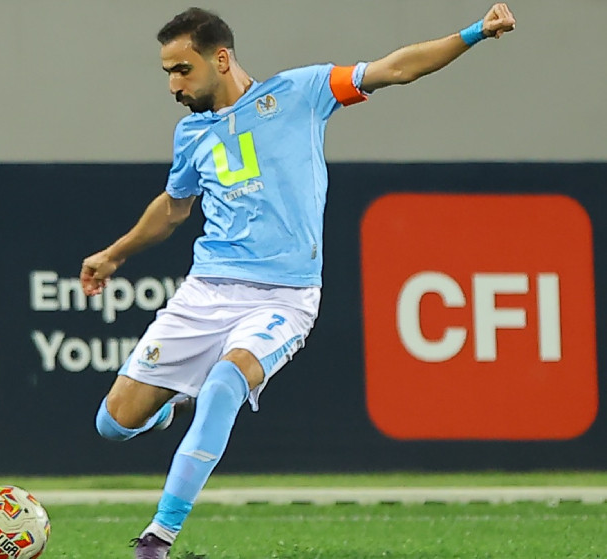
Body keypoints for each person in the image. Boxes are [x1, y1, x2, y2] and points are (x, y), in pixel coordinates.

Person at [81, 4, 516, 558]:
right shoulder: (191, 133)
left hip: (285, 297)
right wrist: (114, 254)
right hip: (208, 290)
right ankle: (167, 408)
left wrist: (475, 32)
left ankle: (157, 538)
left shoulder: (301, 92)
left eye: (182, 69)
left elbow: (396, 68)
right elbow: (173, 208)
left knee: (224, 384)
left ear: (221, 59)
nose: (173, 85)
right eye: (167, 72)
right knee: (113, 425)